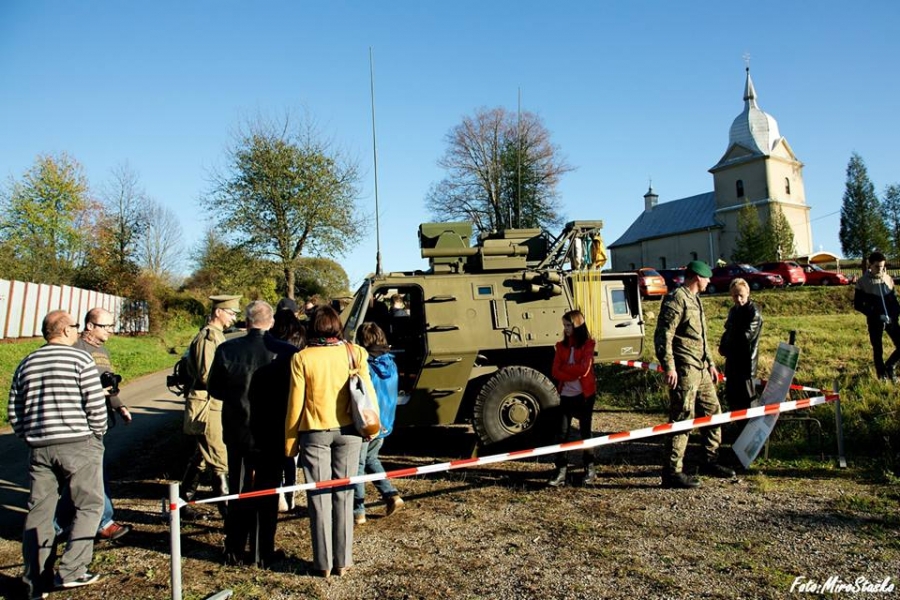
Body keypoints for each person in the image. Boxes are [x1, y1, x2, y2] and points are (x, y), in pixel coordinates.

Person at [9, 310, 107, 597]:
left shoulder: (27, 362)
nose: (78, 330)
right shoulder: (80, 359)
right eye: (75, 326)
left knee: (39, 512)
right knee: (89, 505)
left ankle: (35, 580)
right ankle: (73, 569)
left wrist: (29, 436)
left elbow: (15, 409)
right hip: (78, 443)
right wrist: (97, 434)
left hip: (40, 447)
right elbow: (94, 404)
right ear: (65, 330)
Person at [285, 305, 376, 578]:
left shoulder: (302, 358)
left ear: (311, 327)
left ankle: (322, 563)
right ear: (337, 326)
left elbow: (295, 404)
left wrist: (290, 442)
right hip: (350, 432)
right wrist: (373, 425)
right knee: (344, 495)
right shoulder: (356, 352)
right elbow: (368, 391)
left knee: (318, 498)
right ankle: (343, 561)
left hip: (314, 432)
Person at [208, 301, 297, 567]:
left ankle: (234, 549)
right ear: (271, 322)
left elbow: (215, 389)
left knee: (238, 490)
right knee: (269, 491)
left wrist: (236, 398)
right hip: (272, 431)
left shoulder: (227, 349)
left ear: (247, 322)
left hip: (238, 429)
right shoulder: (287, 352)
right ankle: (262, 552)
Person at [654, 260, 736, 489]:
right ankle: (672, 472)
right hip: (684, 369)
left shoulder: (696, 299)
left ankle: (710, 460)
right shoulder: (676, 298)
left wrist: (710, 363)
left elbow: (702, 338)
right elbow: (664, 335)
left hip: (701, 368)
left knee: (713, 413)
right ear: (697, 277)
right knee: (682, 417)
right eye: (707, 278)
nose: (709, 281)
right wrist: (669, 366)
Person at [69, 308, 133, 541]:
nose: (110, 331)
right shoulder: (76, 349)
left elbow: (109, 384)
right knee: (92, 472)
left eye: (111, 326)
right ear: (90, 326)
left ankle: (66, 524)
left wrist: (119, 406)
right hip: (81, 420)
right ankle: (103, 522)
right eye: (105, 326)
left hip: (99, 418)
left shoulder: (102, 351)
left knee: (90, 471)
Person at [179, 294, 241, 519]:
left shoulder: (217, 335)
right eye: (231, 313)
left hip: (211, 403)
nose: (233, 318)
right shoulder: (208, 337)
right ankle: (229, 514)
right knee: (219, 459)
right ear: (218, 312)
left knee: (202, 457)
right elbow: (207, 375)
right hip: (207, 405)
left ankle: (181, 503)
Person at [353, 322, 403, 525]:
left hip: (369, 422)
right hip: (386, 421)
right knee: (371, 458)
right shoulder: (391, 363)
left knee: (357, 466)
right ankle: (391, 495)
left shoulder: (366, 366)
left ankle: (358, 510)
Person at [547, 310, 597, 487]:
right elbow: (555, 371)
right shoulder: (560, 346)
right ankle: (561, 471)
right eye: (564, 325)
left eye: (569, 325)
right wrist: (572, 372)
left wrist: (566, 369)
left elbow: (584, 369)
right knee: (562, 433)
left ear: (577, 326)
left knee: (585, 432)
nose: (566, 329)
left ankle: (590, 468)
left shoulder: (588, 344)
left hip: (585, 395)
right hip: (566, 395)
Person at [268, 302, 307, 512]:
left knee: (275, 451)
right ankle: (291, 493)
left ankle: (279, 493)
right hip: (294, 395)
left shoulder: (271, 338)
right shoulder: (301, 336)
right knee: (292, 452)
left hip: (274, 396)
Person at [718, 278, 763, 411]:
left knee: (748, 401)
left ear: (748, 293)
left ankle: (751, 424)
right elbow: (727, 330)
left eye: (741, 295)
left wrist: (728, 345)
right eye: (735, 296)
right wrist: (722, 345)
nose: (738, 299)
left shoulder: (753, 311)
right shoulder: (733, 310)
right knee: (733, 398)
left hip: (745, 363)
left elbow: (746, 337)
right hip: (732, 362)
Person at [854, 251, 900, 380]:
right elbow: (858, 305)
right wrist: (876, 315)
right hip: (875, 321)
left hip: (892, 320)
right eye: (877, 267)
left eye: (883, 266)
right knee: (878, 349)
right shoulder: (862, 282)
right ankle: (882, 376)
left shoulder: (888, 279)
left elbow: (894, 301)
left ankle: (890, 366)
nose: (880, 269)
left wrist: (895, 314)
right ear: (870, 265)